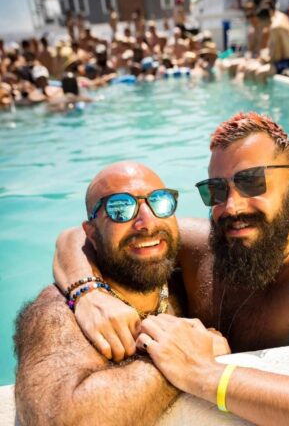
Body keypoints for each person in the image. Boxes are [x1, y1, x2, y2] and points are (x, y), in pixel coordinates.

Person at [53, 112, 289, 425]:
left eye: (253, 183)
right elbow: (76, 237)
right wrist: (87, 293)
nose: (231, 206)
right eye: (217, 190)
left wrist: (206, 375)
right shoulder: (204, 244)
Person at [14, 162, 231, 424]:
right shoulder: (59, 313)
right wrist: (188, 356)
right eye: (120, 208)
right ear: (91, 233)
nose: (146, 222)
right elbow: (63, 420)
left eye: (160, 202)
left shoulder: (182, 273)